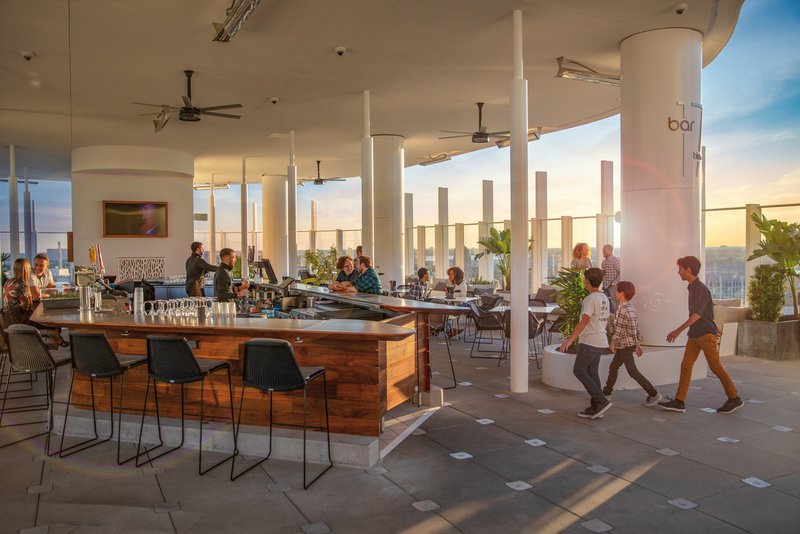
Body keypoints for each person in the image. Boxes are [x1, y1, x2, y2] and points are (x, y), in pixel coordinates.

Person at [659, 256, 743, 414]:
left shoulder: (700, 289)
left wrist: (677, 330)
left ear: (688, 270)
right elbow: (708, 310)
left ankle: (734, 398)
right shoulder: (692, 287)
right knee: (686, 366)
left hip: (705, 335)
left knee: (715, 367)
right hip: (695, 334)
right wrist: (714, 325)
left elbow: (697, 314)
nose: (678, 272)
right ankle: (679, 401)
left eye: (680, 269)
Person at [558, 267, 612, 419]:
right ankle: (597, 407)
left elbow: (584, 321)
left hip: (590, 340)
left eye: (584, 279)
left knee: (579, 370)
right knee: (592, 372)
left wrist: (569, 340)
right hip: (600, 340)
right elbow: (606, 318)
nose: (583, 281)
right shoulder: (604, 297)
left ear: (587, 281)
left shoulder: (590, 299)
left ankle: (601, 401)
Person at [602, 281, 661, 406]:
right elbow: (635, 328)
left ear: (622, 293)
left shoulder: (623, 310)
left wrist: (613, 342)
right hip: (626, 345)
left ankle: (653, 394)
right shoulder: (630, 308)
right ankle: (606, 393)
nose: (615, 293)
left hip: (625, 346)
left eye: (617, 291)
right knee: (614, 367)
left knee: (632, 372)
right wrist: (637, 345)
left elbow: (619, 329)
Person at [3, 258, 34, 326]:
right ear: (26, 270)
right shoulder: (22, 284)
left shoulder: (8, 282)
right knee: (47, 322)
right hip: (20, 322)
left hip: (9, 322)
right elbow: (26, 307)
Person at [600, 244, 620, 315]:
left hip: (613, 286)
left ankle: (614, 319)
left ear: (610, 251)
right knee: (605, 303)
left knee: (613, 303)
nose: (603, 252)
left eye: (604, 251)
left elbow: (621, 272)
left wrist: (614, 283)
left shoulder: (616, 260)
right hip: (605, 286)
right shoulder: (603, 262)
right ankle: (608, 319)